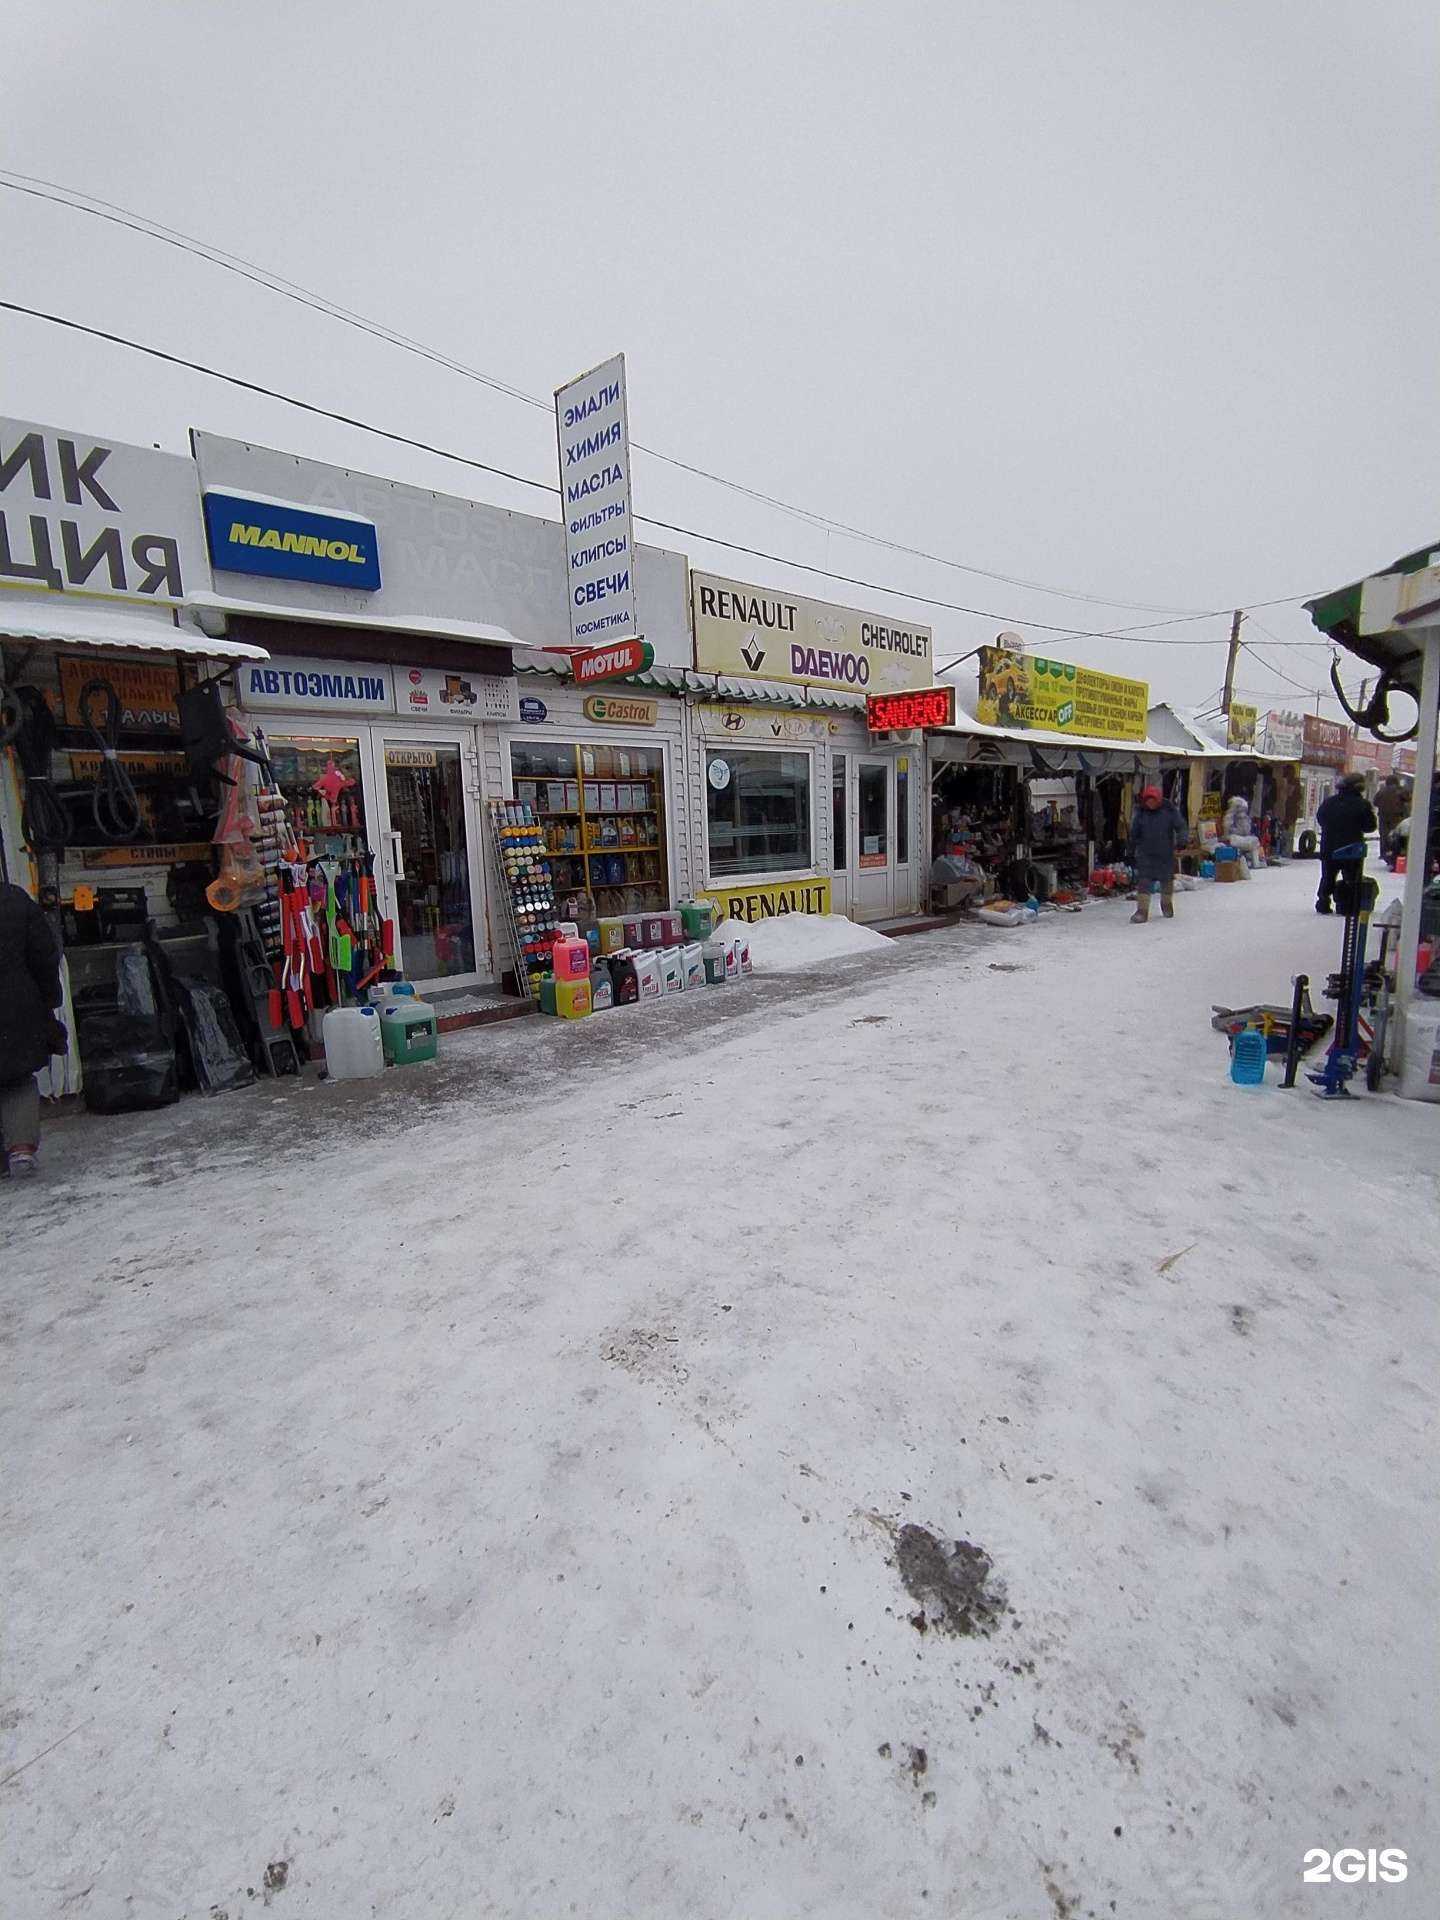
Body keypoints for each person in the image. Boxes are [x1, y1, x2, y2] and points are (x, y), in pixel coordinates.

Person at [0, 881, 64, 1179]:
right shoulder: (12, 898)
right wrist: (49, 998)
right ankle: (21, 1148)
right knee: (17, 1079)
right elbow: (43, 953)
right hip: (14, 1005)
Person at [1315, 772, 1378, 914]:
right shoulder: (1362, 804)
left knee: (1328, 876)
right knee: (1352, 878)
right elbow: (1370, 826)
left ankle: (1323, 902)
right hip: (1352, 848)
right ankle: (1349, 905)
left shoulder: (1329, 802)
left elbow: (1320, 818)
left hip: (1329, 846)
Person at [1126, 785, 1187, 923]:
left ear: (1158, 800)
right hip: (1145, 854)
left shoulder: (1169, 811)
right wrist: (1130, 850)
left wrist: (1182, 840)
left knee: (1166, 881)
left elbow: (1181, 826)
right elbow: (1134, 834)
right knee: (1144, 882)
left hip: (1165, 853)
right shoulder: (1141, 813)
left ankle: (1166, 904)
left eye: (1153, 801)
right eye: (1148, 801)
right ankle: (1142, 911)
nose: (1150, 804)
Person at [1222, 792, 1264, 870]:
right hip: (1232, 838)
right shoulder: (1230, 816)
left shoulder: (1244, 818)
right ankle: (1254, 863)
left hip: (1240, 837)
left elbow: (1246, 831)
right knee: (1251, 841)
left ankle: (1256, 863)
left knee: (1255, 840)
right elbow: (1227, 829)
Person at [1375, 773, 1409, 868]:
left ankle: (1384, 853)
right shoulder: (1401, 790)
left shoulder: (1381, 791)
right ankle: (1394, 853)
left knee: (1384, 836)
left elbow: (1375, 802)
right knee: (1395, 836)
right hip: (1397, 817)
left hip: (1383, 817)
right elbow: (1408, 799)